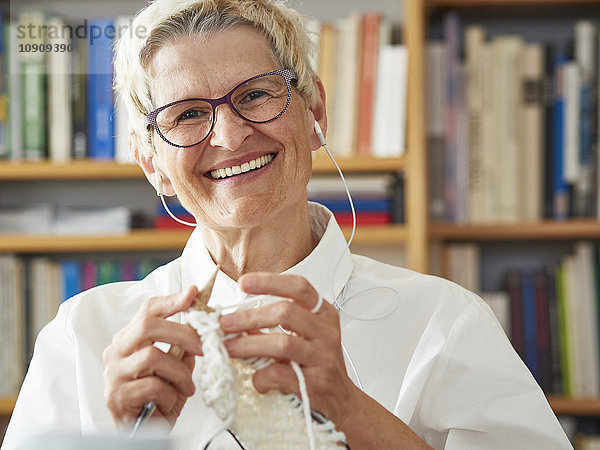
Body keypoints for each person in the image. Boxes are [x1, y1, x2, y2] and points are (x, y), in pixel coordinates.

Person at [3, 0, 572, 449]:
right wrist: (122, 440)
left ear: (315, 112)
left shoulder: (444, 324)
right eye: (188, 114)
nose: (229, 136)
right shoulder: (82, 337)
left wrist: (351, 412)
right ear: (153, 163)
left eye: (256, 94)